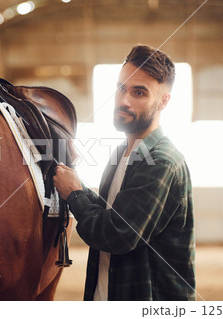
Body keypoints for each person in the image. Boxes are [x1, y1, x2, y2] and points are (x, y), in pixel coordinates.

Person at [53, 45, 195, 301]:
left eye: (139, 92)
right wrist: (77, 187)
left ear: (164, 101)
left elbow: (117, 234)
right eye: (121, 88)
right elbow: (112, 212)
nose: (124, 100)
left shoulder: (161, 162)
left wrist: (75, 195)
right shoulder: (123, 153)